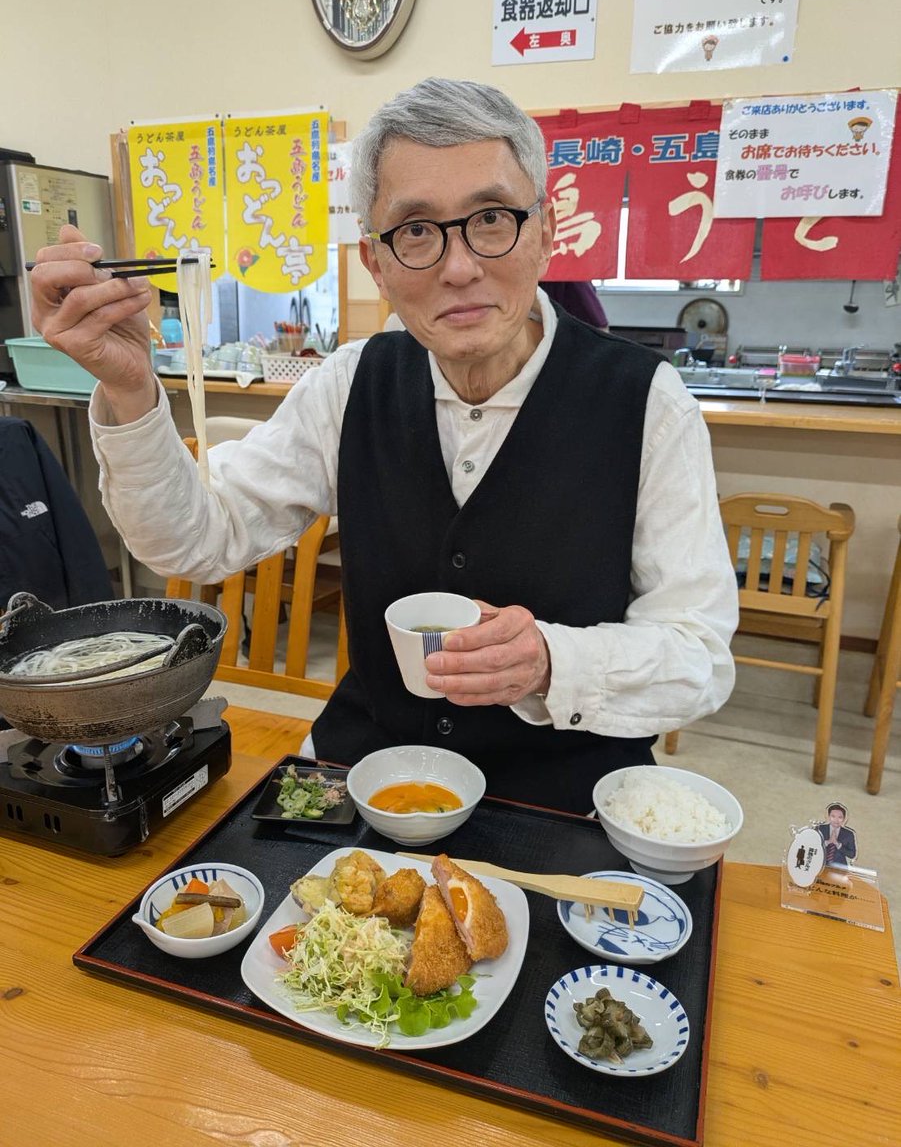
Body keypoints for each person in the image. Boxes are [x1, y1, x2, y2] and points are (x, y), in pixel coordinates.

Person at [29, 77, 738, 813]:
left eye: (491, 218)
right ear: (376, 263)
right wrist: (129, 388)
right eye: (417, 231)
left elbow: (699, 655)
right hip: (365, 776)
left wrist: (553, 662)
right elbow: (195, 541)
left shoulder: (646, 400)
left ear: (544, 231)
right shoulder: (350, 382)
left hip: (563, 799)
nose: (459, 267)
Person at [816, 803, 858, 868]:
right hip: (819, 864)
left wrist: (838, 844)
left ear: (844, 819)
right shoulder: (820, 829)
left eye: (840, 817)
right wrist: (827, 842)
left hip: (840, 867)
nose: (836, 820)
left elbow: (852, 854)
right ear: (828, 817)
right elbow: (813, 846)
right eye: (833, 816)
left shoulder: (849, 834)